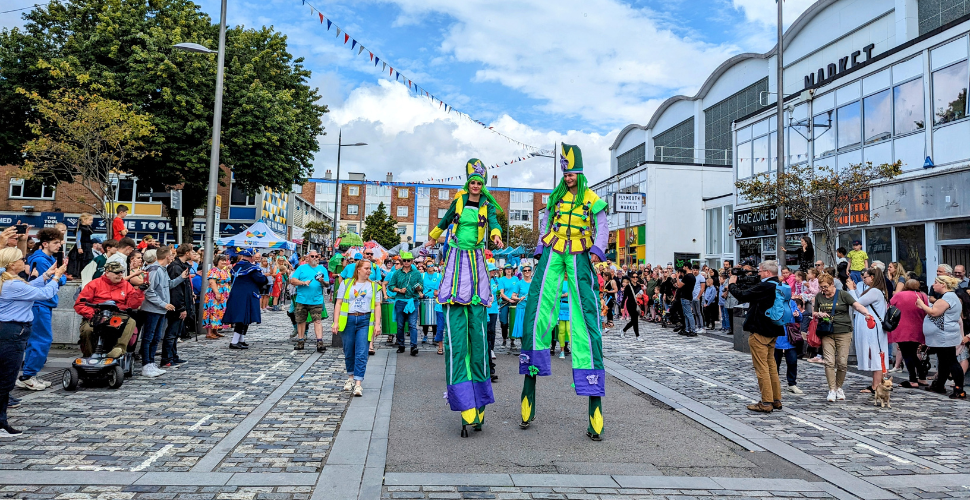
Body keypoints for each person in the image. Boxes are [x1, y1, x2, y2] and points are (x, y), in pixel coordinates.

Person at [517, 144, 608, 441]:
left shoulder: (592, 198)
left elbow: (603, 226)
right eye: (565, 174)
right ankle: (530, 381)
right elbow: (546, 221)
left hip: (580, 252)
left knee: (585, 317)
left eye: (571, 173)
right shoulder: (556, 197)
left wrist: (598, 250)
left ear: (579, 173)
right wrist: (542, 242)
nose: (567, 178)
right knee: (538, 307)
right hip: (555, 250)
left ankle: (594, 405)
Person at [423, 158, 504, 437]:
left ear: (483, 185)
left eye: (480, 182)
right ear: (467, 183)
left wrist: (496, 235)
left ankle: (479, 401)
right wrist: (432, 239)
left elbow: (493, 223)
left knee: (478, 342)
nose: (476, 185)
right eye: (472, 181)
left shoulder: (487, 206)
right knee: (458, 343)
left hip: (477, 260)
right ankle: (464, 402)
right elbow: (444, 223)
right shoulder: (457, 203)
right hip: (456, 261)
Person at [0, 247, 65, 434]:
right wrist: (55, 278)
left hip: (9, 329)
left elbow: (29, 288)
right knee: (6, 380)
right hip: (13, 331)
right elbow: (44, 295)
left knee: (5, 378)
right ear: (12, 264)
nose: (25, 262)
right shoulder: (12, 284)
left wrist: (45, 276)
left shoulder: (9, 281)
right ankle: (1, 422)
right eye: (22, 259)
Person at [728, 260, 787, 413]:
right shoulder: (778, 285)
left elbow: (742, 295)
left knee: (762, 368)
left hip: (761, 330)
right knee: (771, 366)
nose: (758, 273)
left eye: (760, 271)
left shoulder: (766, 286)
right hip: (774, 328)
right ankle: (776, 399)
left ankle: (766, 402)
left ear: (767, 272)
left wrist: (732, 283)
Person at [15, 228, 67, 391]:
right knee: (42, 339)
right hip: (40, 304)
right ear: (45, 244)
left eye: (59, 242)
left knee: (39, 340)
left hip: (43, 303)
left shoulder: (45, 258)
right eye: (55, 242)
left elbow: (58, 278)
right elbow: (55, 279)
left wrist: (60, 277)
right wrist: (60, 276)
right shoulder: (41, 259)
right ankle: (28, 375)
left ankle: (29, 375)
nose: (59, 245)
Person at [813, 273, 873, 402]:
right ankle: (832, 389)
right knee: (829, 361)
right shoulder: (819, 296)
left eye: (825, 287)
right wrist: (819, 313)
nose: (823, 290)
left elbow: (856, 305)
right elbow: (814, 311)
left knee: (842, 362)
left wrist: (866, 313)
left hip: (844, 331)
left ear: (832, 284)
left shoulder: (842, 294)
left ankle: (839, 387)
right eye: (821, 287)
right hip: (826, 331)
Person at [74, 261, 145, 358]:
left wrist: (139, 292)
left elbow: (132, 305)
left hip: (117, 314)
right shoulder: (94, 284)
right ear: (107, 272)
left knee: (131, 322)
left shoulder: (126, 285)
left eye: (122, 272)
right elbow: (80, 304)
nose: (120, 275)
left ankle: (119, 349)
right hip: (96, 315)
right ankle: (89, 356)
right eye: (117, 272)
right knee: (87, 330)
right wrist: (91, 314)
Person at [332, 259, 382, 397]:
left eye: (370, 269)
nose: (369, 271)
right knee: (349, 350)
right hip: (348, 320)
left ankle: (358, 383)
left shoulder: (374, 286)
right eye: (366, 268)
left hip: (364, 320)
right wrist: (335, 322)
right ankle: (350, 378)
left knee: (361, 352)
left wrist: (377, 324)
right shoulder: (346, 283)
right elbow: (339, 303)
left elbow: (378, 305)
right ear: (358, 269)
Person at [916, 275, 965, 399]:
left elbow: (934, 312)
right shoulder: (950, 297)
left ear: (943, 285)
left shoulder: (948, 298)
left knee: (951, 361)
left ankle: (959, 389)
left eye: (936, 282)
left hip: (945, 335)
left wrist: (922, 304)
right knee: (944, 361)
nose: (933, 285)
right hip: (943, 335)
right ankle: (939, 385)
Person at [848, 267, 889, 394]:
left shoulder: (875, 291)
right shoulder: (876, 291)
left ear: (872, 277)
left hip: (872, 328)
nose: (863, 279)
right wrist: (854, 289)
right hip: (873, 326)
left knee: (875, 353)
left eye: (865, 277)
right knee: (876, 353)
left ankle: (876, 385)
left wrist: (851, 290)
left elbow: (857, 303)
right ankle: (877, 382)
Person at [223, 249, 268, 350]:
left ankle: (241, 339)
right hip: (247, 295)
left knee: (243, 318)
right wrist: (265, 278)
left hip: (236, 294)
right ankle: (234, 341)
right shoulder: (251, 268)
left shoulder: (236, 267)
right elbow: (260, 279)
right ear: (251, 257)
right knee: (242, 318)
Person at [889, 279, 929, 388]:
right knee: (913, 354)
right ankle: (922, 376)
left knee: (907, 354)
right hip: (917, 327)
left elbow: (890, 307)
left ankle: (912, 379)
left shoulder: (899, 295)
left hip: (901, 328)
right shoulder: (922, 296)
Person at [289, 250, 330, 352]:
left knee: (317, 321)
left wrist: (322, 281)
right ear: (308, 258)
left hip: (316, 300)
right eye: (312, 256)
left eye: (317, 256)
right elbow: (292, 280)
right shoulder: (301, 268)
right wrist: (303, 282)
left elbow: (327, 284)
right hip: (302, 299)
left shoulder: (322, 269)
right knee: (301, 321)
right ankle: (300, 341)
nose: (315, 258)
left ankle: (319, 343)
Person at [387, 252, 424, 356]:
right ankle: (401, 345)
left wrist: (419, 288)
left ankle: (414, 346)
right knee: (400, 325)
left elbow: (422, 286)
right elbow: (390, 286)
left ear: (412, 261)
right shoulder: (397, 273)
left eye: (409, 260)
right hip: (400, 301)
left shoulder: (416, 273)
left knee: (413, 324)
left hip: (413, 301)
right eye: (405, 260)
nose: (407, 262)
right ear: (402, 261)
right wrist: (399, 290)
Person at [203, 254, 232, 340]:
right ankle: (209, 332)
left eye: (225, 260)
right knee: (212, 311)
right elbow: (212, 282)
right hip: (214, 293)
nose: (224, 262)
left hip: (224, 293)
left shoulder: (224, 270)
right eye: (222, 260)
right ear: (217, 261)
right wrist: (217, 293)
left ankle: (215, 330)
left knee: (219, 312)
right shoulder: (213, 270)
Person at [509, 264, 534, 344]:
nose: (527, 272)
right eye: (525, 270)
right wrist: (519, 298)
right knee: (522, 328)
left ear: (531, 272)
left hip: (532, 309)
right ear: (522, 272)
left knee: (531, 329)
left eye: (528, 270)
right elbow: (513, 296)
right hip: (522, 308)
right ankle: (524, 347)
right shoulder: (519, 284)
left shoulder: (534, 282)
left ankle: (530, 346)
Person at [67, 213, 95, 278]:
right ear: (84, 220)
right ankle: (77, 273)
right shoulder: (80, 228)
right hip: (82, 245)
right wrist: (79, 247)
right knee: (79, 260)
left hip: (87, 246)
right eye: (90, 220)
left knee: (86, 260)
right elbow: (78, 239)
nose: (91, 222)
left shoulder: (89, 228)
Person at [498, 264, 518, 347]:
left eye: (510, 269)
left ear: (512, 270)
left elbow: (518, 290)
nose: (509, 270)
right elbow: (501, 293)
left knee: (513, 321)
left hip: (514, 302)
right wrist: (509, 299)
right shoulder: (502, 280)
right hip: (505, 302)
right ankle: (504, 339)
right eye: (507, 269)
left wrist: (515, 298)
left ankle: (512, 340)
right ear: (504, 271)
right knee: (504, 322)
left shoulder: (516, 279)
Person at [675, 268, 697, 336]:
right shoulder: (692, 276)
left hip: (685, 297)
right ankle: (687, 329)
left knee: (689, 314)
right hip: (688, 296)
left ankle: (692, 330)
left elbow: (679, 285)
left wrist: (677, 277)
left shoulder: (687, 276)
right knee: (686, 314)